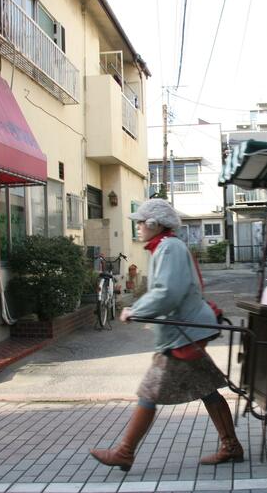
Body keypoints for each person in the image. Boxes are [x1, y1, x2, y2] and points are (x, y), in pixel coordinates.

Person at [89, 198, 245, 471]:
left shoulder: (169, 248)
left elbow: (167, 293)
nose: (138, 227)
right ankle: (231, 446)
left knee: (149, 392)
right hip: (185, 331)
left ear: (154, 224)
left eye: (141, 222)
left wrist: (135, 310)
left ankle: (125, 452)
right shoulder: (165, 247)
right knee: (207, 390)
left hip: (183, 334)